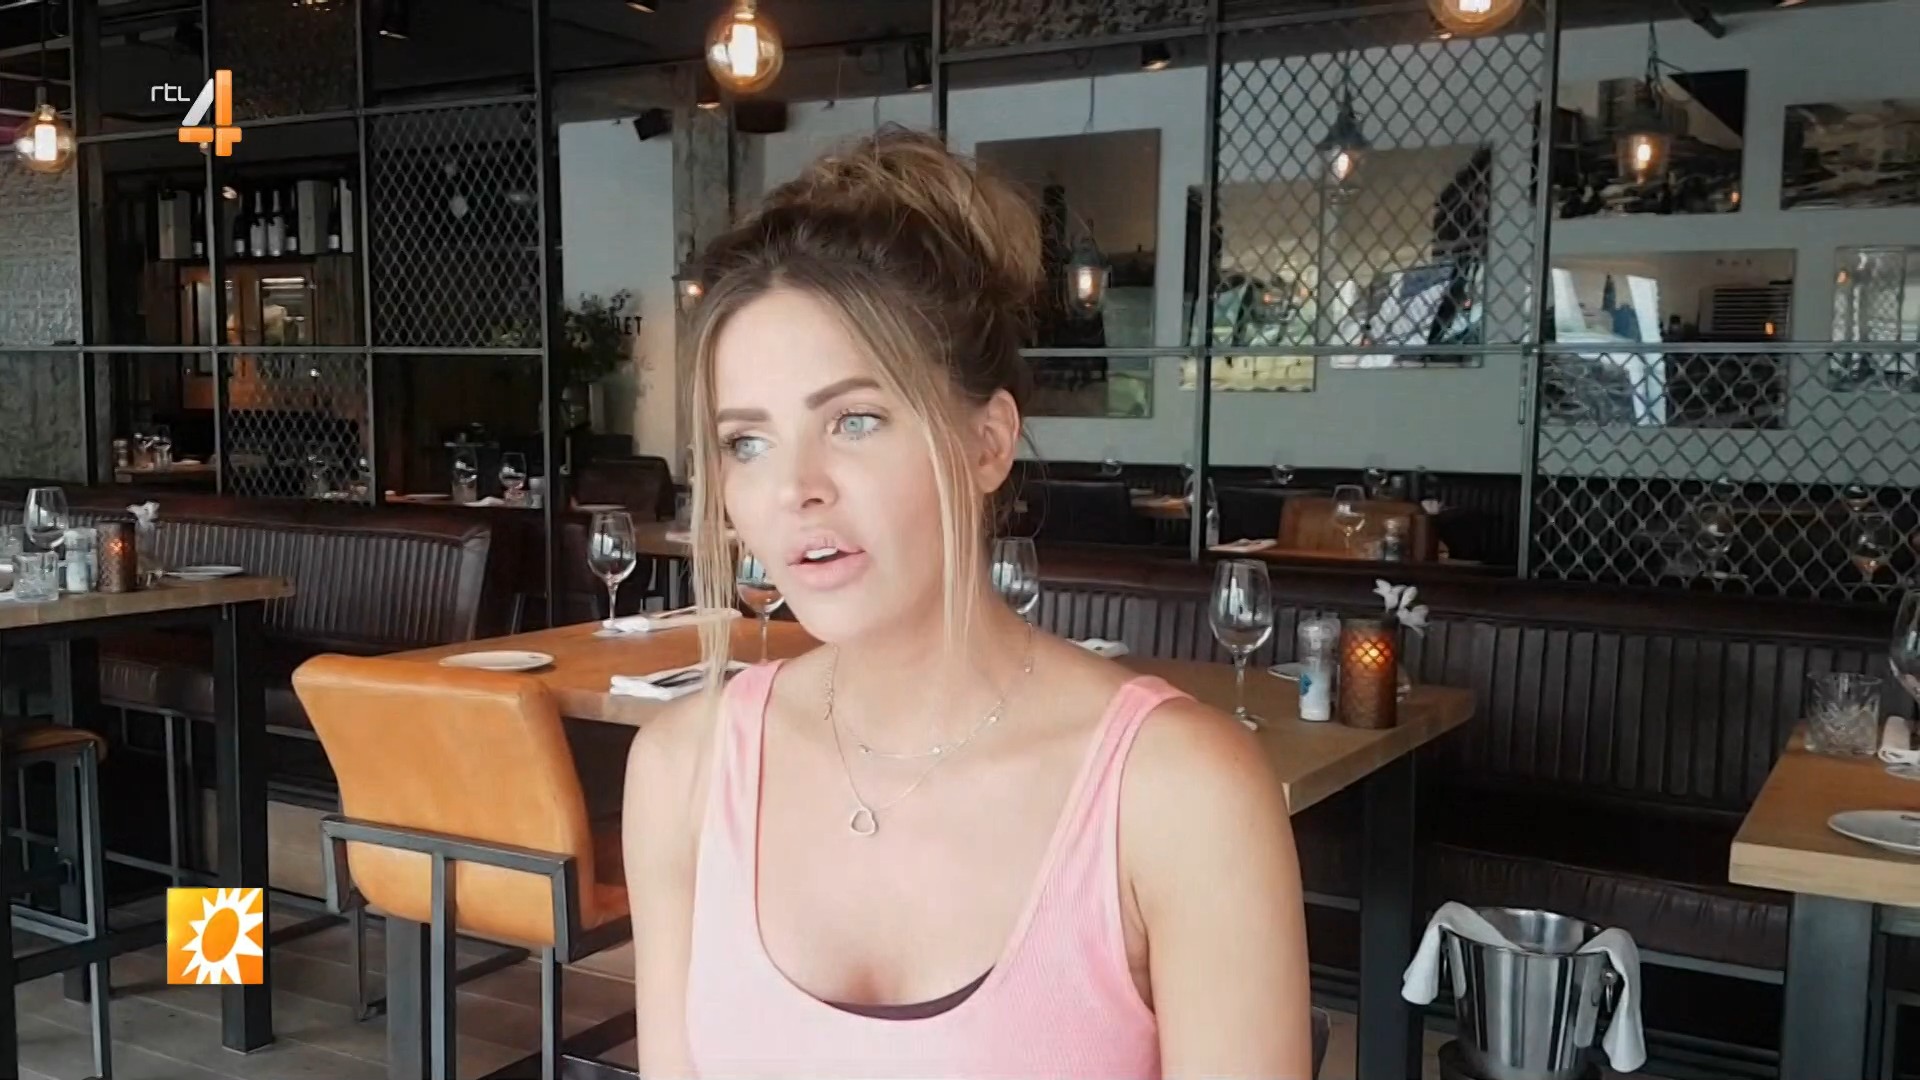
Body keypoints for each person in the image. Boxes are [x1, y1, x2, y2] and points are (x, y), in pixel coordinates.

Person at [622, 127, 1313, 1079]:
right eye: (748, 442)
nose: (795, 488)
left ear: (988, 444)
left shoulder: (1178, 795)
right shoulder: (684, 773)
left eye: (854, 420)